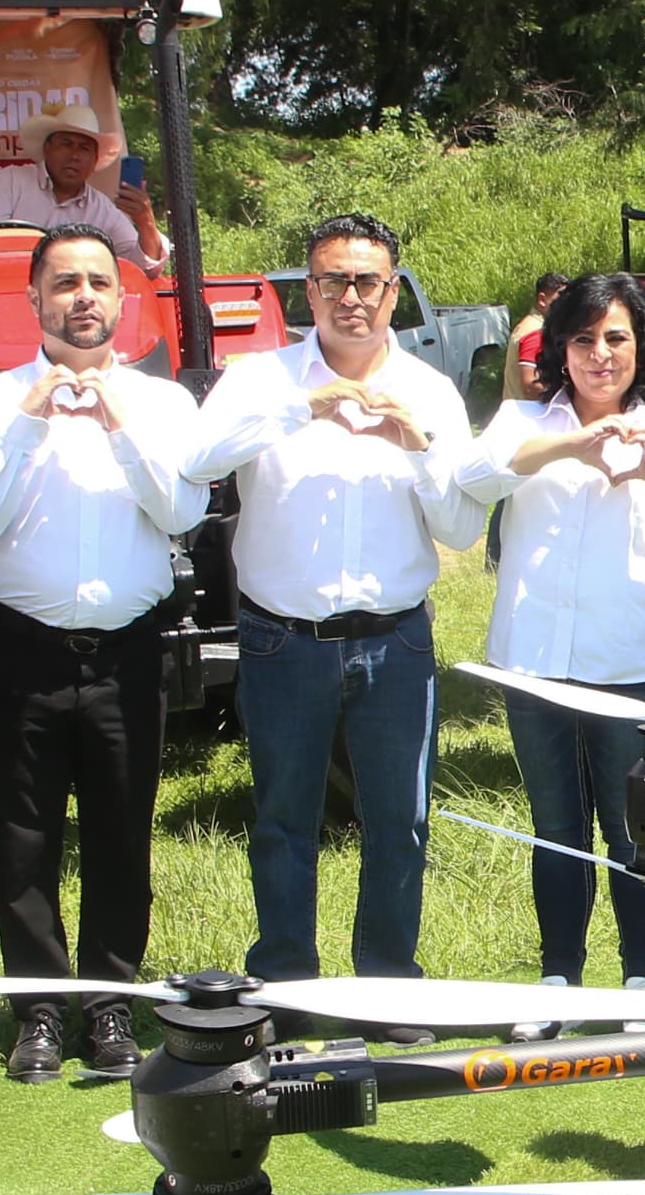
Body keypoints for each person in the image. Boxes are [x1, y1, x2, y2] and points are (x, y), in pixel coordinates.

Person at [184, 214, 483, 981]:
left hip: (395, 640)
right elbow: (197, 460)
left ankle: (388, 979)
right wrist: (301, 409)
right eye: (333, 281)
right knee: (284, 820)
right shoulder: (262, 379)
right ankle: (286, 979)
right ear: (308, 292)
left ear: (393, 293)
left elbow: (459, 526)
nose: (351, 297)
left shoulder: (429, 392)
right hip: (282, 639)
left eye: (367, 282)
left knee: (401, 823)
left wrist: (418, 450)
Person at [0, 226, 208, 1081]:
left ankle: (108, 1007)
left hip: (126, 650)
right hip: (18, 648)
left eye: (99, 281)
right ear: (34, 298)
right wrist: (30, 420)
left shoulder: (162, 404)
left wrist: (119, 424)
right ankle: (39, 1014)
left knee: (121, 836)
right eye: (64, 283)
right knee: (22, 839)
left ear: (123, 299)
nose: (83, 297)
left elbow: (182, 513)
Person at [467, 274, 645, 993]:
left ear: (640, 347)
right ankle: (559, 974)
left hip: (632, 664)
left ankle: (642, 974)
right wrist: (570, 447)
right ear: (560, 348)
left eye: (616, 338)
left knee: (634, 827)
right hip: (534, 661)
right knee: (556, 825)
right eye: (583, 339)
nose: (599, 354)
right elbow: (473, 477)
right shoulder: (523, 422)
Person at [0, 103, 164, 268]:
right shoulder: (9, 181)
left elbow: (144, 268)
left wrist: (146, 223)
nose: (74, 155)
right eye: (66, 144)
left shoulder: (102, 209)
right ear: (47, 149)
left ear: (94, 160)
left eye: (84, 148)